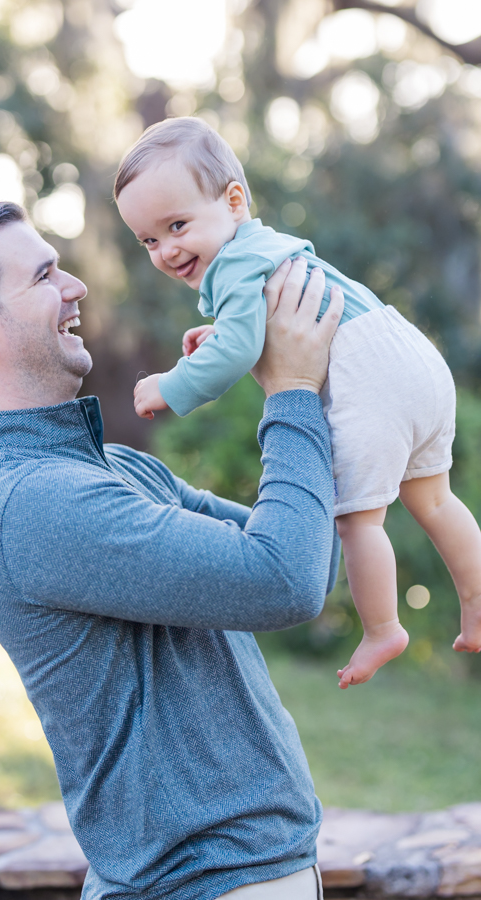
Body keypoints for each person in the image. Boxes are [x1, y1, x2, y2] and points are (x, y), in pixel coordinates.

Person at [0, 201, 344, 900]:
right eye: (44, 277)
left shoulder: (118, 471)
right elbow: (285, 581)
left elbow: (310, 556)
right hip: (203, 886)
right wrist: (292, 392)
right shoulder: (31, 505)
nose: (76, 288)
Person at [114, 116, 481, 690]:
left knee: (359, 521)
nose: (166, 250)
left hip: (370, 377)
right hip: (408, 355)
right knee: (433, 499)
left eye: (177, 224)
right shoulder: (265, 248)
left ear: (235, 201)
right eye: (149, 240)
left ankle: (383, 628)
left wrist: (174, 384)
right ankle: (478, 602)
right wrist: (225, 337)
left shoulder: (234, 260)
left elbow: (241, 347)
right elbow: (261, 329)